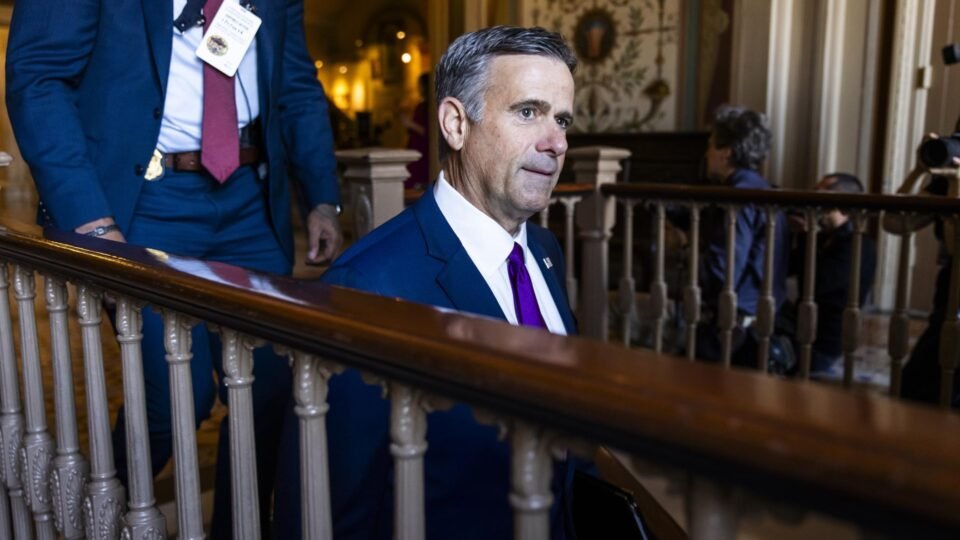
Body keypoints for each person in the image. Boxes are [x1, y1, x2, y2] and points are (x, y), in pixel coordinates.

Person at [5, 0, 343, 536]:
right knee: (177, 398)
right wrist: (91, 220)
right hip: (146, 204)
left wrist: (323, 196)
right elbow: (39, 78)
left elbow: (297, 85)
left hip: (251, 206)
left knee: (268, 394)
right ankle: (87, 518)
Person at [275, 25, 581, 539]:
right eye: (529, 112)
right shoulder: (364, 286)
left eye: (563, 119)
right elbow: (327, 508)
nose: (556, 143)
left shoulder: (545, 251)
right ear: (456, 124)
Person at [695, 105, 790, 365]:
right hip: (761, 314)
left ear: (726, 153)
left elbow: (724, 268)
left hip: (739, 328)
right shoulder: (762, 188)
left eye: (710, 145)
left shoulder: (739, 196)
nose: (706, 153)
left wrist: (688, 255)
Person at [781, 173, 877, 377]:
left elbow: (814, 284)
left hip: (821, 345)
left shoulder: (859, 245)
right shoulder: (823, 237)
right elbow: (788, 268)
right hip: (800, 327)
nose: (813, 201)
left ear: (842, 202)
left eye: (821, 193)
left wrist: (807, 234)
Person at [403, 72, 431, 189]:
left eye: (421, 85)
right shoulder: (420, 106)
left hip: (425, 152)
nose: (419, 89)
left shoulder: (432, 107)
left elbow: (429, 132)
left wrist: (410, 124)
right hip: (415, 151)